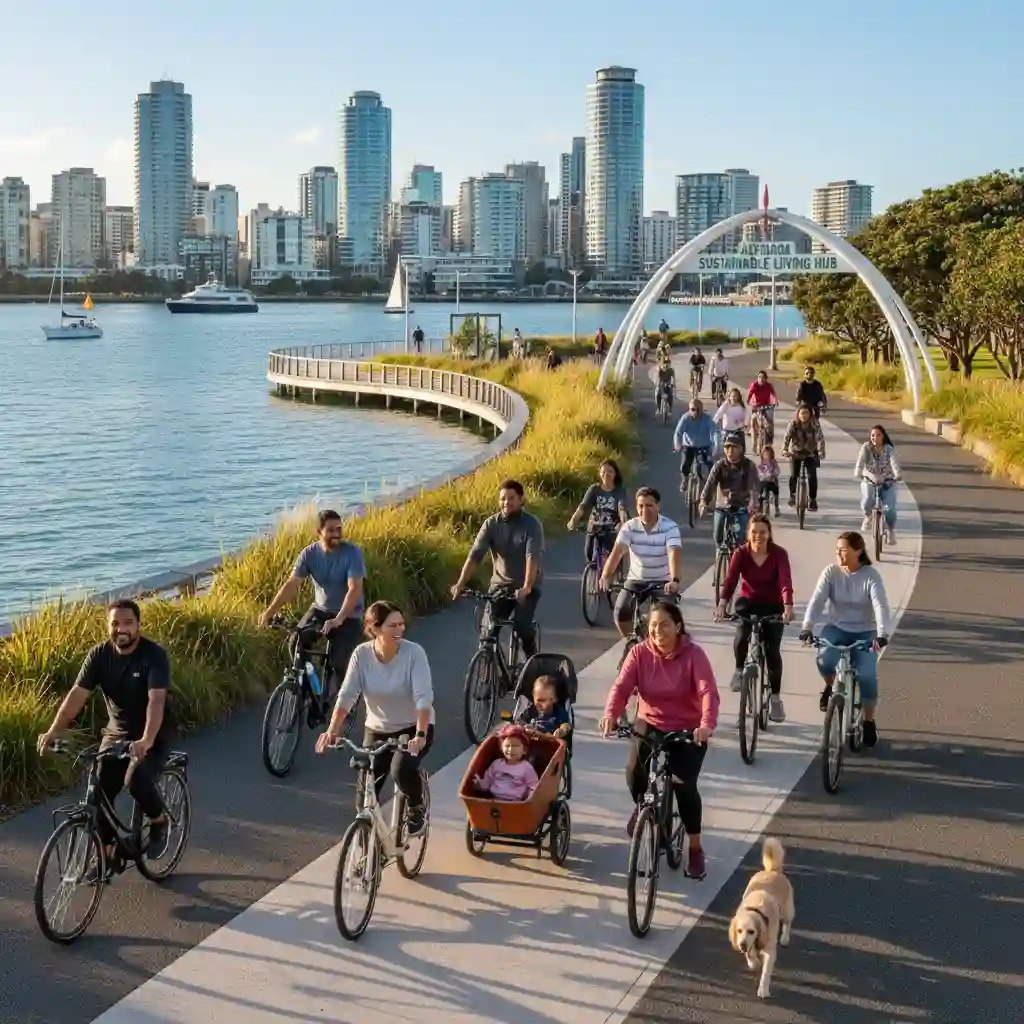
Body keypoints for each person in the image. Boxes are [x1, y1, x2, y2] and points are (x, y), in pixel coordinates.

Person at [37, 599, 174, 875]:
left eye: (127, 623)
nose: (120, 629)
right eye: (114, 623)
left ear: (138, 625)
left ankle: (159, 821)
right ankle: (107, 853)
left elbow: (156, 701)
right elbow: (77, 695)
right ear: (107, 626)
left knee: (137, 781)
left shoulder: (154, 656)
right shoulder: (99, 656)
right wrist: (54, 732)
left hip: (153, 734)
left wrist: (146, 741)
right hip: (116, 735)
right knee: (98, 791)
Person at [600, 601, 720, 880]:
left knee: (683, 785)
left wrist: (705, 725)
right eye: (652, 625)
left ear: (678, 627)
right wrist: (611, 715)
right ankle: (644, 806)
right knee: (634, 771)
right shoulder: (639, 653)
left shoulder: (694, 655)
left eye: (664, 624)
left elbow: (707, 692)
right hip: (651, 722)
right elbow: (621, 687)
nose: (657, 630)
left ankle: (695, 848)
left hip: (688, 729)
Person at [316, 601, 433, 834]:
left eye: (402, 624)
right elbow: (348, 694)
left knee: (400, 770)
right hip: (377, 729)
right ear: (375, 628)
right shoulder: (362, 655)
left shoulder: (414, 654)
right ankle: (370, 846)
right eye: (393, 626)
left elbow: (423, 696)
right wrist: (332, 729)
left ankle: (416, 805)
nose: (400, 630)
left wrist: (420, 734)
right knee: (364, 800)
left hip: (413, 727)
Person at [258, 509, 365, 706]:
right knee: (295, 643)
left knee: (339, 661)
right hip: (320, 610)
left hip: (349, 615)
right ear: (319, 531)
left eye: (339, 529)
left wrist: (339, 619)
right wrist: (270, 611)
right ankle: (309, 688)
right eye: (331, 530)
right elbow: (291, 584)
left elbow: (354, 589)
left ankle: (344, 700)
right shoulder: (309, 553)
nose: (336, 534)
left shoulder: (352, 553)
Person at [800, 532, 891, 747]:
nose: (838, 554)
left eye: (843, 550)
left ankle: (868, 721)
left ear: (858, 551)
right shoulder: (831, 572)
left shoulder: (871, 575)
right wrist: (807, 627)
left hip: (865, 633)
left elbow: (880, 605)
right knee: (824, 660)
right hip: (836, 629)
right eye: (837, 550)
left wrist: (882, 634)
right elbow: (817, 600)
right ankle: (830, 686)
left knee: (867, 676)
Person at [452, 479, 544, 658]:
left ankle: (533, 660)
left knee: (522, 626)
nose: (506, 502)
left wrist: (526, 587)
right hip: (500, 586)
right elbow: (475, 555)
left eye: (511, 498)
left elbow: (532, 557)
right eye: (503, 498)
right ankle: (489, 670)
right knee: (488, 632)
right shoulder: (491, 524)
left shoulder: (532, 525)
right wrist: (460, 583)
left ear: (521, 499)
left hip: (527, 585)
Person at [715, 515, 794, 722]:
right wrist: (723, 603)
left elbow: (785, 581)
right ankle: (740, 670)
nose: (758, 536)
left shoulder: (779, 554)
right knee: (742, 634)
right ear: (748, 534)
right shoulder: (741, 553)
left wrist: (788, 606)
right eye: (754, 532)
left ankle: (775, 698)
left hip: (773, 605)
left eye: (763, 532)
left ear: (769, 534)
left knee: (772, 651)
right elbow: (731, 580)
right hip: (748, 602)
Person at [600, 486, 683, 640]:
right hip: (636, 579)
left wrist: (675, 580)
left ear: (658, 506)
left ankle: (663, 648)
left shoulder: (670, 527)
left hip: (662, 581)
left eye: (649, 506)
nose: (645, 510)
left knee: (665, 617)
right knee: (620, 612)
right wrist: (606, 575)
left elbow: (674, 553)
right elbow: (617, 552)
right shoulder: (630, 527)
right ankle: (633, 643)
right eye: (641, 506)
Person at [700, 436, 760, 548]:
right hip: (722, 506)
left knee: (741, 539)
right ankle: (719, 558)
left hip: (741, 506)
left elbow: (755, 486)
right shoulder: (720, 465)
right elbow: (710, 485)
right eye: (727, 447)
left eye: (734, 447)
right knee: (718, 537)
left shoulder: (749, 466)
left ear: (741, 449)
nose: (730, 451)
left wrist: (755, 503)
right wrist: (703, 502)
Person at [567, 459, 629, 563]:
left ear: (615, 474)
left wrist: (623, 523)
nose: (606, 475)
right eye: (603, 472)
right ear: (600, 474)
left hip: (612, 526)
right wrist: (573, 520)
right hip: (595, 525)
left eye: (610, 472)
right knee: (588, 554)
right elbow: (583, 506)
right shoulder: (594, 489)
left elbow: (622, 508)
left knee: (614, 556)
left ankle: (617, 572)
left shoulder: (619, 491)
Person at [855, 424, 903, 544]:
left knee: (890, 509)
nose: (875, 437)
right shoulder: (866, 447)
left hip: (887, 482)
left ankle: (891, 531)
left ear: (883, 436)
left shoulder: (889, 449)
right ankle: (868, 516)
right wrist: (858, 473)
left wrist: (897, 474)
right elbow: (860, 462)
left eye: (878, 435)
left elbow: (894, 463)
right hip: (869, 481)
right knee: (867, 499)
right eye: (872, 435)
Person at [473, 724, 539, 800]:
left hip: (515, 802)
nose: (511, 750)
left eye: (516, 746)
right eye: (507, 746)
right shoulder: (496, 764)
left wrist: (529, 798)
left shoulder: (526, 768)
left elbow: (533, 786)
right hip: (494, 799)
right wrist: (478, 784)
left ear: (524, 750)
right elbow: (487, 781)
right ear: (502, 748)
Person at [781, 403, 826, 512]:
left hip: (810, 454)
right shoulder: (793, 424)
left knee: (812, 476)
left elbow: (820, 438)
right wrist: (784, 449)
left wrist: (821, 451)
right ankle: (793, 495)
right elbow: (786, 437)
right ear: (798, 414)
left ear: (810, 414)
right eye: (801, 413)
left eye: (806, 413)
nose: (803, 416)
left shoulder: (815, 424)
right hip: (796, 453)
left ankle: (812, 499)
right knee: (793, 475)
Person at [673, 398, 717, 488]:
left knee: (709, 464)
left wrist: (716, 445)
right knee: (685, 465)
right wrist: (677, 444)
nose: (695, 412)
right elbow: (678, 433)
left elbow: (714, 432)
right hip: (689, 446)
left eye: (698, 409)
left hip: (704, 446)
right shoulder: (685, 418)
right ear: (689, 409)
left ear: (702, 409)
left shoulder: (707, 418)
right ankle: (685, 479)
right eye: (692, 409)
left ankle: (710, 486)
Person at [747, 370, 779, 443]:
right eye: (759, 377)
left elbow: (773, 394)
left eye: (763, 377)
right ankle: (751, 430)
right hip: (756, 405)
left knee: (770, 421)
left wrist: (776, 401)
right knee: (753, 418)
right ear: (757, 378)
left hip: (767, 405)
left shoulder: (769, 385)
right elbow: (750, 393)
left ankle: (770, 438)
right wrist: (748, 401)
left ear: (766, 379)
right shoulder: (754, 385)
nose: (761, 379)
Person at [757, 444, 781, 514]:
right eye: (765, 454)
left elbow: (777, 470)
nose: (767, 455)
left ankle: (776, 507)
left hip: (772, 481)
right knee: (760, 493)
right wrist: (761, 475)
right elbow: (758, 471)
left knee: (776, 493)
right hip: (763, 481)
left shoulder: (773, 462)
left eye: (768, 454)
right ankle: (760, 508)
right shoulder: (762, 462)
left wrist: (773, 474)